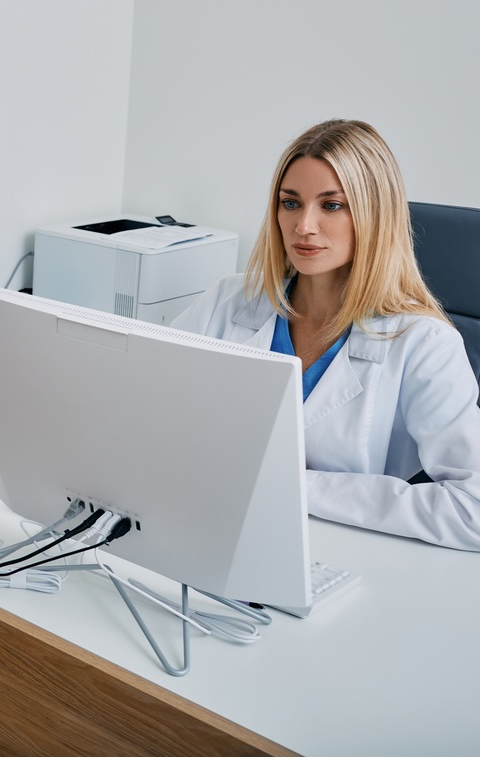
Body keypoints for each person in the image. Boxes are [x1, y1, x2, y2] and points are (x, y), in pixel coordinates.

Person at [172, 119, 480, 551]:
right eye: (291, 203)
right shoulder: (228, 300)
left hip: (347, 554)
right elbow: (150, 408)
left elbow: (472, 510)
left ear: (375, 216)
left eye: (331, 206)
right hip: (210, 527)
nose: (304, 226)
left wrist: (298, 488)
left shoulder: (425, 344)